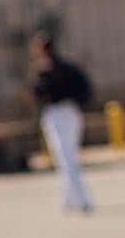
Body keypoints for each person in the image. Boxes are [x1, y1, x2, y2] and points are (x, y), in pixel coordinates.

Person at [28, 31, 95, 213]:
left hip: (58, 114)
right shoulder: (68, 67)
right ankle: (68, 199)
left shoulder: (47, 71)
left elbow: (38, 94)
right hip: (72, 113)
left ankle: (82, 200)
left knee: (66, 157)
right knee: (67, 155)